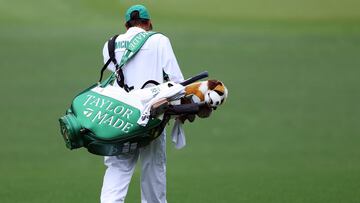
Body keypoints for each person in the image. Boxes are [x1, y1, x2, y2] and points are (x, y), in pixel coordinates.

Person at [100, 4, 184, 203]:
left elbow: (115, 77)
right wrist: (182, 110)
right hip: (151, 116)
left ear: (126, 25)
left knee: (118, 169)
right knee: (153, 169)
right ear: (149, 24)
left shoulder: (110, 44)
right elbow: (176, 81)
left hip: (120, 117)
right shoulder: (159, 40)